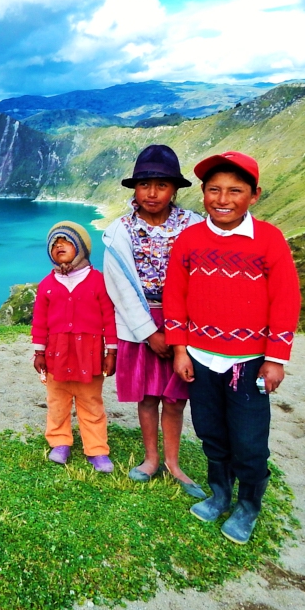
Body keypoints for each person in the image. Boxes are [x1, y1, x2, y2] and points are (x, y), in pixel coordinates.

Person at [163, 151, 301, 544]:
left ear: (254, 195)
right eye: (214, 190)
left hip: (249, 361)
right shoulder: (190, 240)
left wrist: (275, 359)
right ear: (203, 193)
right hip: (201, 359)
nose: (222, 199)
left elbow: (285, 300)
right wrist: (179, 349)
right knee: (210, 431)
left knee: (249, 439)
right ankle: (220, 493)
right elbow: (176, 296)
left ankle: (248, 506)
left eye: (235, 191)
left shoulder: (269, 240)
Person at [102, 144, 206, 499]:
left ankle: (174, 463)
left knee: (176, 398)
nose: (152, 193)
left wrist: (178, 332)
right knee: (147, 396)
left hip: (182, 320)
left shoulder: (195, 227)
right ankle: (150, 459)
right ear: (134, 188)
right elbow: (119, 287)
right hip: (138, 322)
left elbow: (202, 279)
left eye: (161, 185)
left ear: (174, 189)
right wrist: (149, 333)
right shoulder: (120, 232)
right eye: (145, 184)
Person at [31, 221, 118, 473]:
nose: (59, 246)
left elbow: (109, 319)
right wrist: (38, 352)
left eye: (66, 241)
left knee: (91, 402)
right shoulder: (47, 284)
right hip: (55, 355)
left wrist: (111, 352)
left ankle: (97, 449)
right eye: (54, 244)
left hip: (89, 356)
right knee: (57, 402)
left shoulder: (99, 282)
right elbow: (39, 323)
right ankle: (59, 442)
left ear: (81, 247)